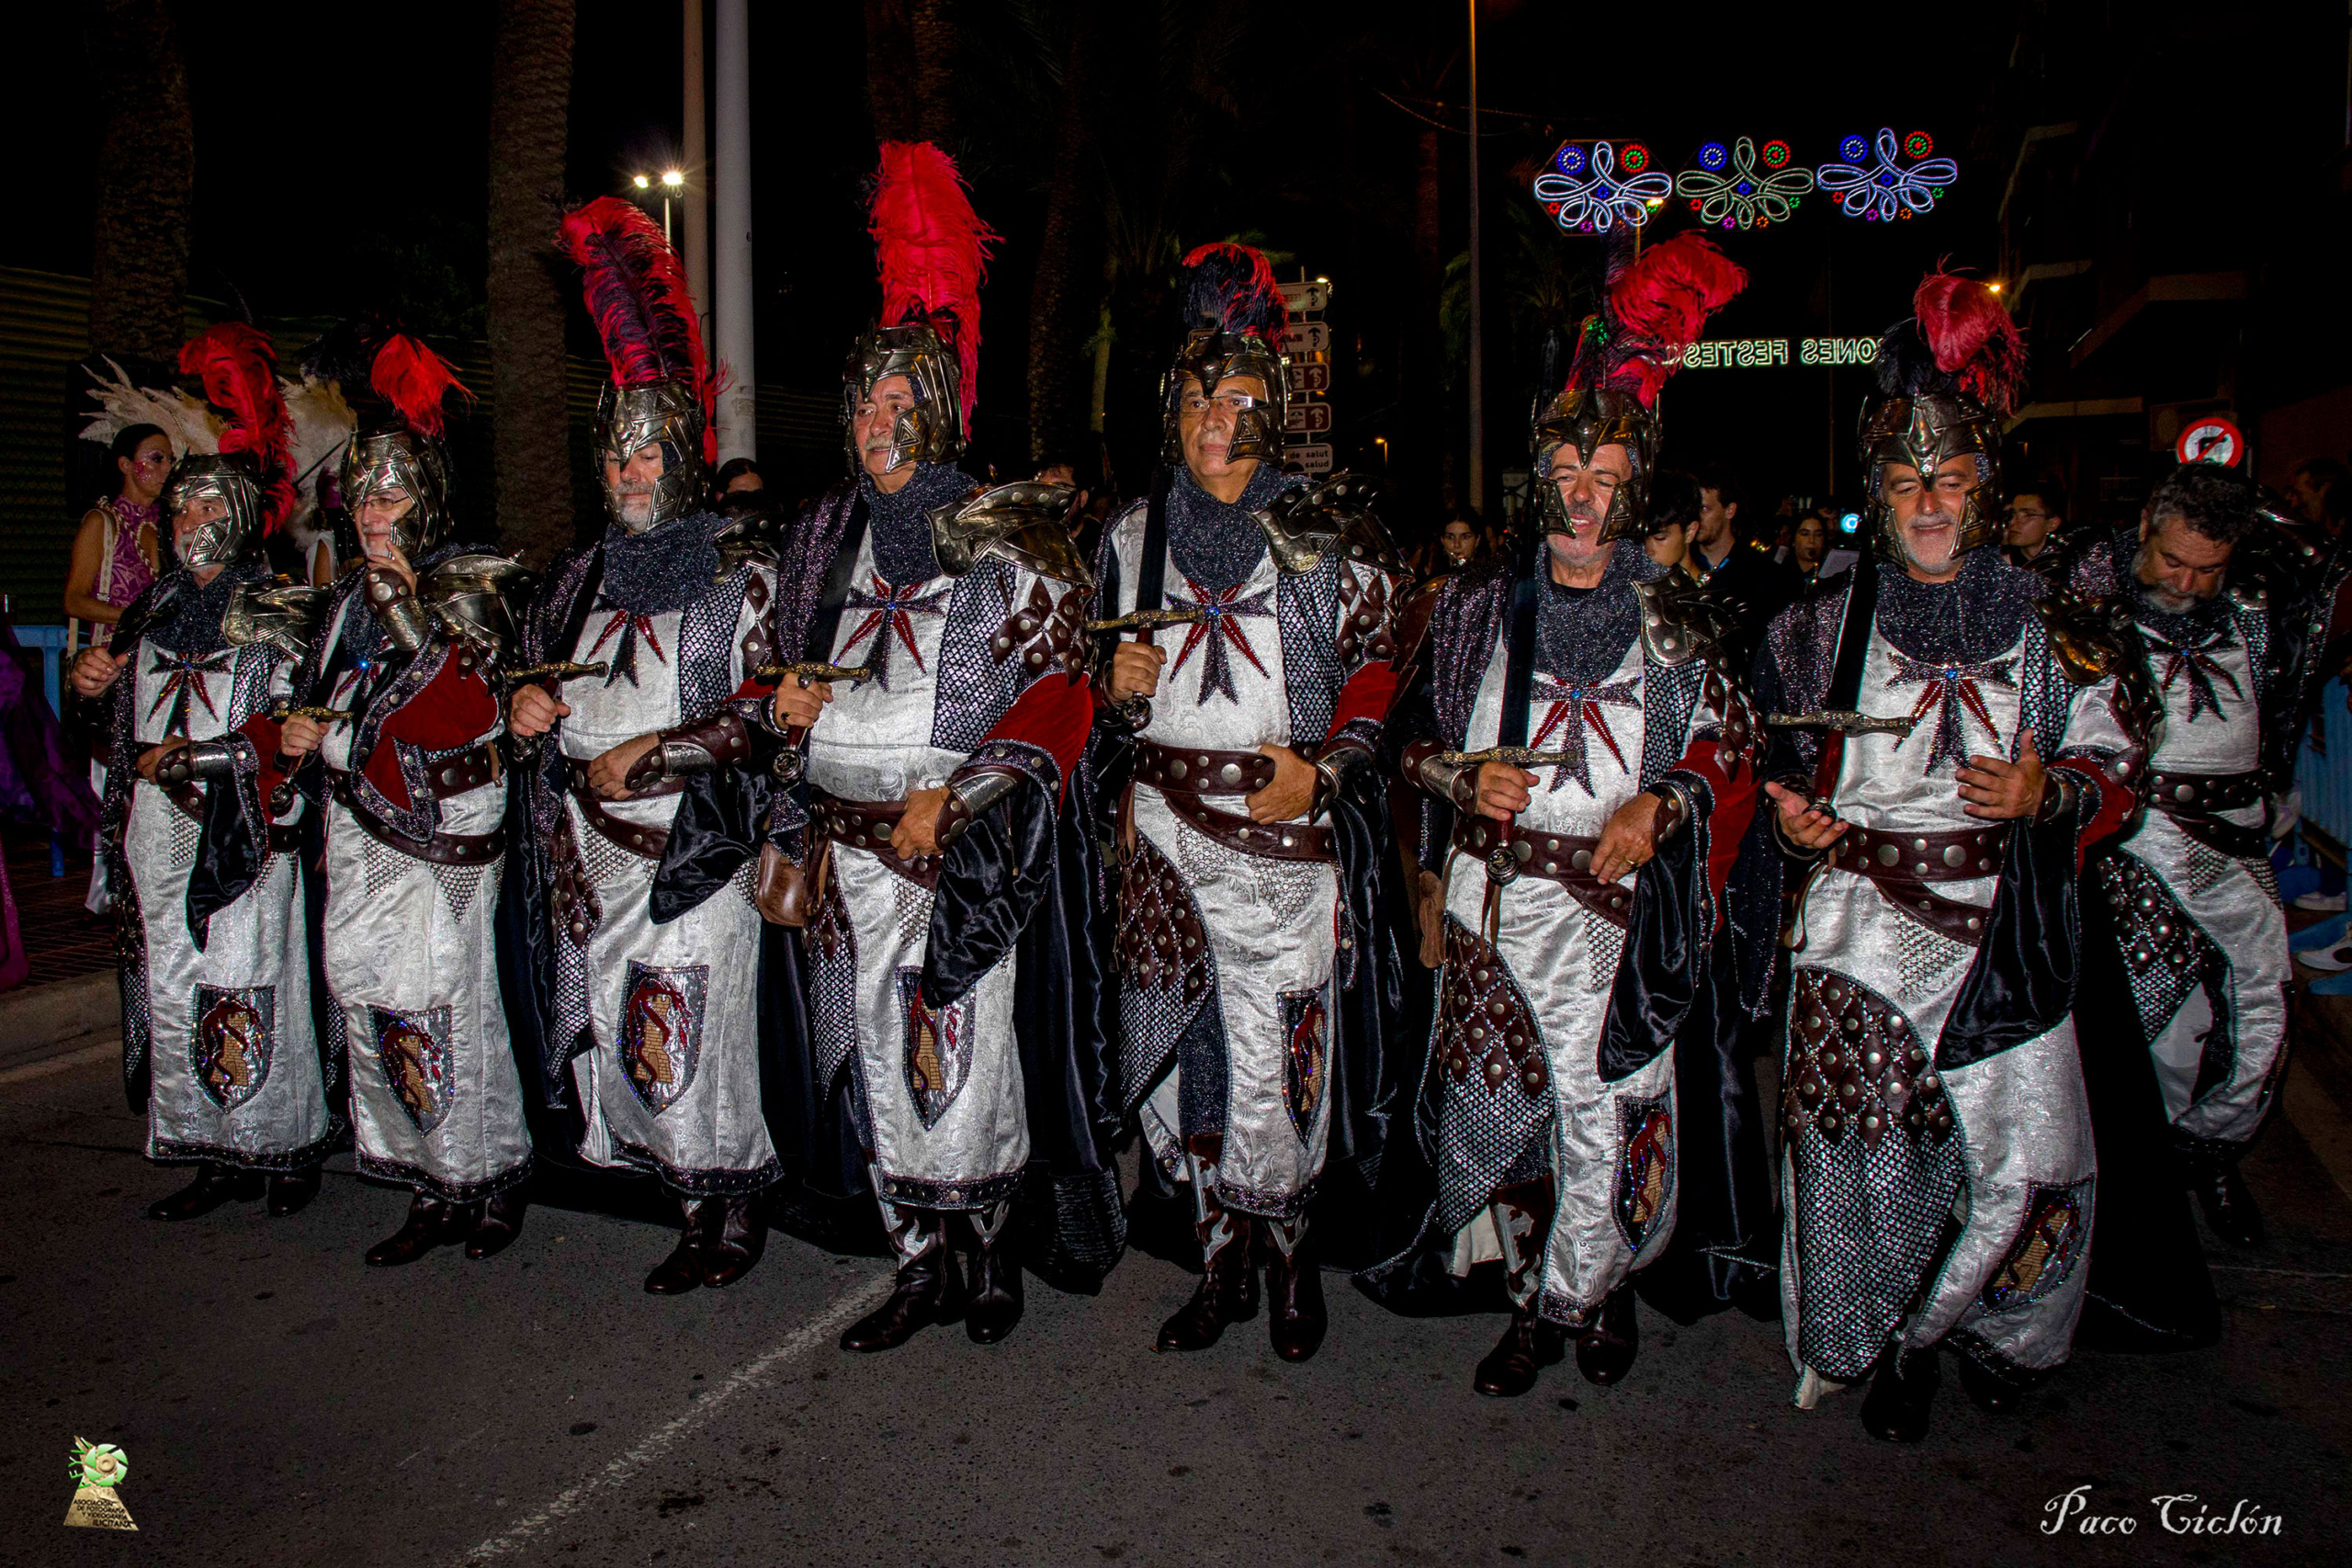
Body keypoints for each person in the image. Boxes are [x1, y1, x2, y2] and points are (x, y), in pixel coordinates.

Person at [1737, 271, 2144, 1441]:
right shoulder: (1814, 625)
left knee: (2035, 1166)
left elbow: (2115, 773)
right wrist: (1795, 824)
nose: (1927, 499)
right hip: (1861, 924)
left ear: (1983, 487)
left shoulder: (2049, 619)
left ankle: (1973, 1331)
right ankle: (1882, 1339)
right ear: (1878, 490)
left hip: (2000, 930)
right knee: (1859, 1159)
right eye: (1905, 479)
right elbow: (1782, 774)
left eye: (1950, 478)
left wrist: (2043, 789)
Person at [1364, 233, 1760, 1397]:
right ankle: (1542, 1270)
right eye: (1568, 476)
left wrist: (1663, 795)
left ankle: (1579, 1300)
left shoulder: (1675, 614)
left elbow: (1728, 742)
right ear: (1544, 479)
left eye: (1606, 479)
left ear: (1633, 488)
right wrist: (1454, 785)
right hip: (1496, 900)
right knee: (1499, 1102)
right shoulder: (1480, 606)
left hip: (1614, 909)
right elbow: (1412, 738)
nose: (1585, 499)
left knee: (1612, 1109)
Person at [763, 142, 1114, 1353]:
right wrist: (785, 709)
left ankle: (991, 1247)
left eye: (900, 405)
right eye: (863, 404)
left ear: (941, 408)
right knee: (877, 1046)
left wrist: (957, 799)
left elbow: (1062, 694)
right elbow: (783, 665)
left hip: (960, 851)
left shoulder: (1007, 538)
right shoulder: (825, 540)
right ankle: (920, 1254)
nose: (876, 426)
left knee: (958, 1046)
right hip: (849, 854)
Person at [1092, 241, 1409, 1362]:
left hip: (1282, 839)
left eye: (1235, 400)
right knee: (1184, 1068)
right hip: (1167, 836)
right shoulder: (1132, 537)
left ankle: (1288, 1262)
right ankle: (1219, 1257)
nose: (1212, 420)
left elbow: (1379, 671)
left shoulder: (1328, 533)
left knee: (1281, 1059)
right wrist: (1115, 694)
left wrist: (1324, 772)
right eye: (1193, 399)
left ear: (1269, 411)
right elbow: (1110, 689)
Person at [512, 197, 782, 1293]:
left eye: (648, 451)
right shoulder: (575, 576)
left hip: (695, 850)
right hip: (593, 855)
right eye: (615, 453)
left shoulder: (741, 566)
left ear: (686, 454)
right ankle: (681, 1191)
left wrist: (660, 752)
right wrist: (526, 714)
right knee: (631, 1023)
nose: (629, 471)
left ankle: (733, 1200)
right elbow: (534, 683)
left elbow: (770, 705)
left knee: (698, 1024)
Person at [272, 323, 536, 1267]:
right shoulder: (342, 599)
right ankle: (426, 1179)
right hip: (358, 832)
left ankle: (489, 1175)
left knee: (452, 1004)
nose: (373, 507)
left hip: (445, 831)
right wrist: (301, 731)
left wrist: (396, 606)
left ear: (425, 498)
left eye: (391, 490)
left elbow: (452, 712)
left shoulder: (464, 585)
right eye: (362, 491)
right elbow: (314, 695)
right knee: (376, 1003)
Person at [69, 323, 338, 1224]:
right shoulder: (149, 607)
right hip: (156, 823)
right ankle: (210, 1148)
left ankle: (284, 1145)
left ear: (240, 513)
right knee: (178, 986)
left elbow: (287, 730)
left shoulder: (278, 610)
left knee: (253, 977)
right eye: (178, 509)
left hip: (246, 823)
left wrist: (198, 759)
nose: (189, 524)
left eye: (205, 507)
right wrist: (90, 682)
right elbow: (110, 721)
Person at [2083, 465, 2291, 1248]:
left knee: (2261, 1023)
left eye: (2209, 567)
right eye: (2175, 560)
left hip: (2240, 841)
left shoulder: (2258, 615)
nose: (2188, 580)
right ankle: (2136, 1190)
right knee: (2156, 1027)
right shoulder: (2093, 614)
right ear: (2146, 526)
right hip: (2140, 843)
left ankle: (2208, 1153)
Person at [64, 423, 168, 654]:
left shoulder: (167, 526)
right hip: (114, 661)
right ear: (125, 465)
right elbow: (74, 600)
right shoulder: (101, 522)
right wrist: (139, 617)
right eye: (157, 459)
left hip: (163, 658)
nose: (168, 468)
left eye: (171, 460)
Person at [1685, 460, 1796, 654]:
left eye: (1704, 509)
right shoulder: (1682, 566)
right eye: (1692, 510)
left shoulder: (1764, 574)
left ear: (1730, 510)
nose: (1696, 518)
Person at [1643, 468, 1702, 574]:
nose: (1648, 551)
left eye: (1659, 538)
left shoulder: (1712, 590)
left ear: (1690, 532)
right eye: (1640, 540)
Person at [2005, 482, 2065, 560]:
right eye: (2012, 515)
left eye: (2027, 515)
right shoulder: (2001, 563)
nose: (2012, 522)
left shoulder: (2067, 564)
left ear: (2052, 524)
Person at [1791, 510, 1830, 580]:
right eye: (1805, 534)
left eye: (1818, 535)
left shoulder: (1831, 572)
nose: (1812, 540)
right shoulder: (1777, 572)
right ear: (1793, 539)